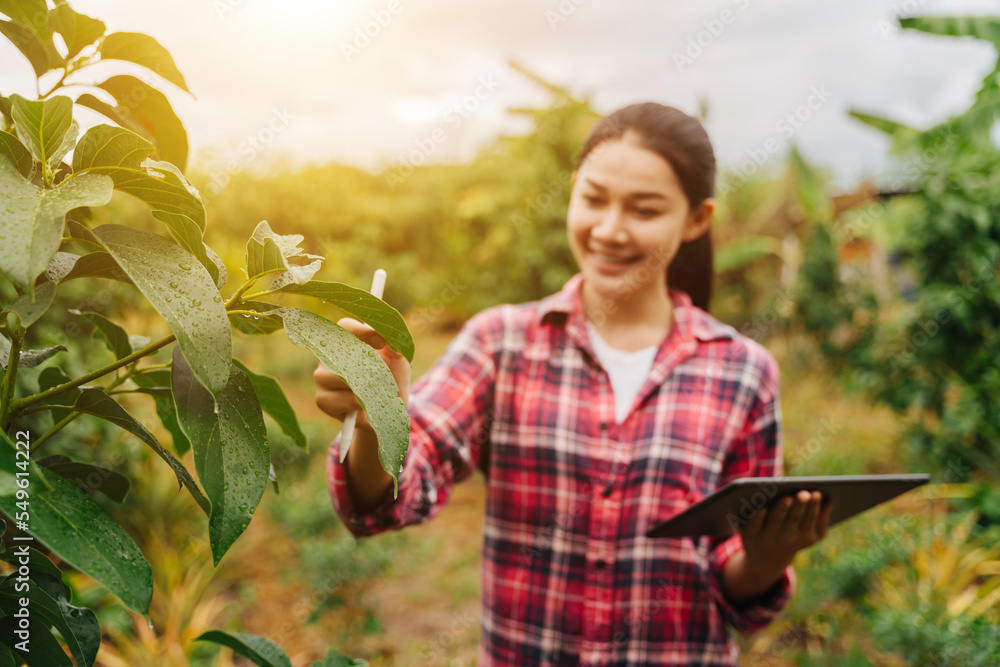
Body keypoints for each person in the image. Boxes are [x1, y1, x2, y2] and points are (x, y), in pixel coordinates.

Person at [314, 102, 833, 666]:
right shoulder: (501, 343)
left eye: (645, 209)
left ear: (696, 219)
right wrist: (375, 419)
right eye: (593, 199)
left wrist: (763, 558)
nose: (609, 230)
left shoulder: (742, 371)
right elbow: (391, 495)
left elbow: (737, 592)